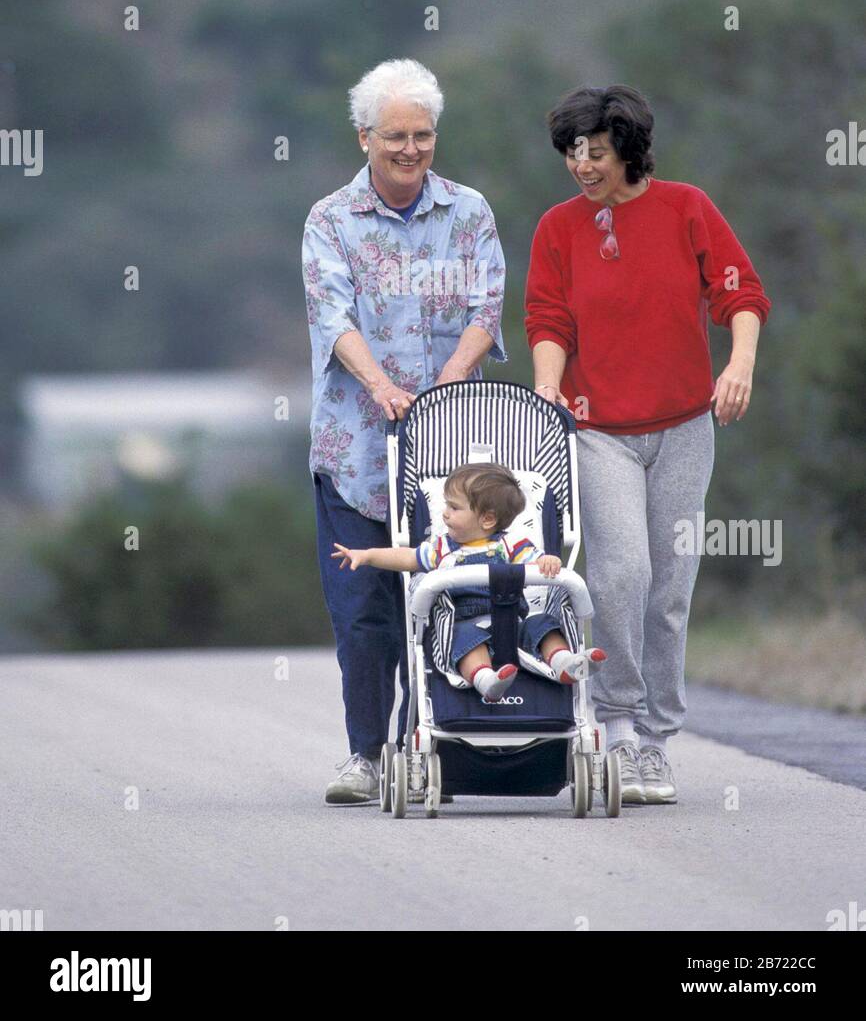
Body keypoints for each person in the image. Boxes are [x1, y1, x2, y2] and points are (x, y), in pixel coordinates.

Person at [525, 84, 770, 805]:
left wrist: (739, 365)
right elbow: (548, 318)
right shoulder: (558, 228)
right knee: (621, 573)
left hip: (686, 427)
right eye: (572, 152)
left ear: (627, 148)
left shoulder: (687, 207)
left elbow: (741, 294)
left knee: (670, 585)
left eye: (594, 152)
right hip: (597, 431)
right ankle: (619, 725)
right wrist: (546, 389)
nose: (581, 165)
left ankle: (658, 742)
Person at [302, 59, 507, 803]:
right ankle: (366, 754)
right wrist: (383, 386)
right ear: (364, 138)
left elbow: (488, 308)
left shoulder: (470, 212)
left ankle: (436, 743)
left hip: (454, 453)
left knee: (451, 593)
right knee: (366, 615)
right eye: (395, 136)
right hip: (356, 448)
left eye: (423, 135)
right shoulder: (330, 220)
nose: (411, 149)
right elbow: (333, 317)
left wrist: (452, 376)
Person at [331, 463, 601, 700]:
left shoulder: (512, 545)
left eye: (454, 507)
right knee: (465, 641)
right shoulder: (441, 549)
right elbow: (406, 557)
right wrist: (366, 555)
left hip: (513, 626)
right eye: (446, 505)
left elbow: (536, 561)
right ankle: (486, 680)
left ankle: (565, 662)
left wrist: (548, 563)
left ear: (487, 519)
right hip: (465, 624)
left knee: (543, 625)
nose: (444, 514)